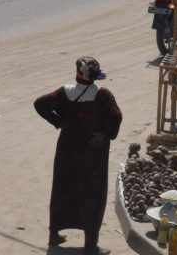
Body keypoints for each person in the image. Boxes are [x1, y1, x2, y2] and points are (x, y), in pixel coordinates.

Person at [34, 56, 122, 255]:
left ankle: (54, 235)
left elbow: (39, 104)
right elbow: (116, 116)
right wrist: (104, 134)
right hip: (92, 155)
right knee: (92, 194)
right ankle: (90, 245)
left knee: (62, 189)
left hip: (67, 150)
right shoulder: (102, 95)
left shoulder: (64, 92)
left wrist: (58, 122)